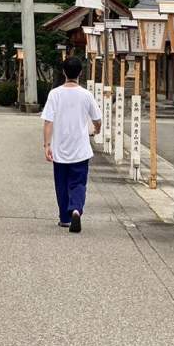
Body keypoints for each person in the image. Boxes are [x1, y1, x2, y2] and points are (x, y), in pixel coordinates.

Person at [41, 56, 101, 233]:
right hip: (80, 148)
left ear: (64, 72)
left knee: (61, 184)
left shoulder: (55, 94)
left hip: (60, 148)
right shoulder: (86, 95)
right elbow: (97, 119)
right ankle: (76, 209)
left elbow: (48, 121)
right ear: (80, 73)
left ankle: (65, 218)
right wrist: (96, 129)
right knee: (78, 183)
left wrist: (47, 145)